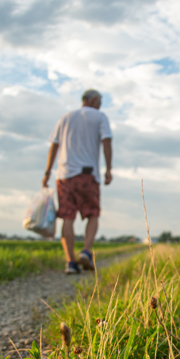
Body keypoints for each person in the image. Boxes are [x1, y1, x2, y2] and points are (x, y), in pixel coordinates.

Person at [43, 89, 113, 274]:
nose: (101, 104)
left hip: (64, 176)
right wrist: (109, 169)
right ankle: (86, 251)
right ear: (93, 100)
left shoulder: (65, 117)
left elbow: (54, 146)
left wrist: (47, 172)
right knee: (93, 213)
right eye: (100, 100)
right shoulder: (99, 117)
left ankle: (70, 263)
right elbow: (107, 142)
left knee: (67, 217)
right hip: (87, 175)